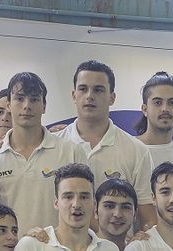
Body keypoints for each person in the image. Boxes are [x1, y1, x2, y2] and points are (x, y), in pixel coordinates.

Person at [0, 72, 85, 237]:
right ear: (9, 104)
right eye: (19, 99)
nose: (27, 105)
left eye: (34, 99)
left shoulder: (71, 152)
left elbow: (85, 209)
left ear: (44, 105)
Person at [62, 60, 154, 230]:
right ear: (74, 95)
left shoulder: (136, 151)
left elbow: (147, 217)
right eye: (83, 89)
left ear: (112, 97)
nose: (89, 96)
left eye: (98, 90)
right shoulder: (55, 145)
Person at [136, 71, 173, 168]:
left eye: (172, 103)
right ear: (145, 109)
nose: (165, 109)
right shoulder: (130, 148)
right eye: (157, 102)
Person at [91, 177, 140, 251]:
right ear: (95, 210)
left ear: (135, 214)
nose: (117, 214)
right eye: (109, 206)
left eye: (125, 207)